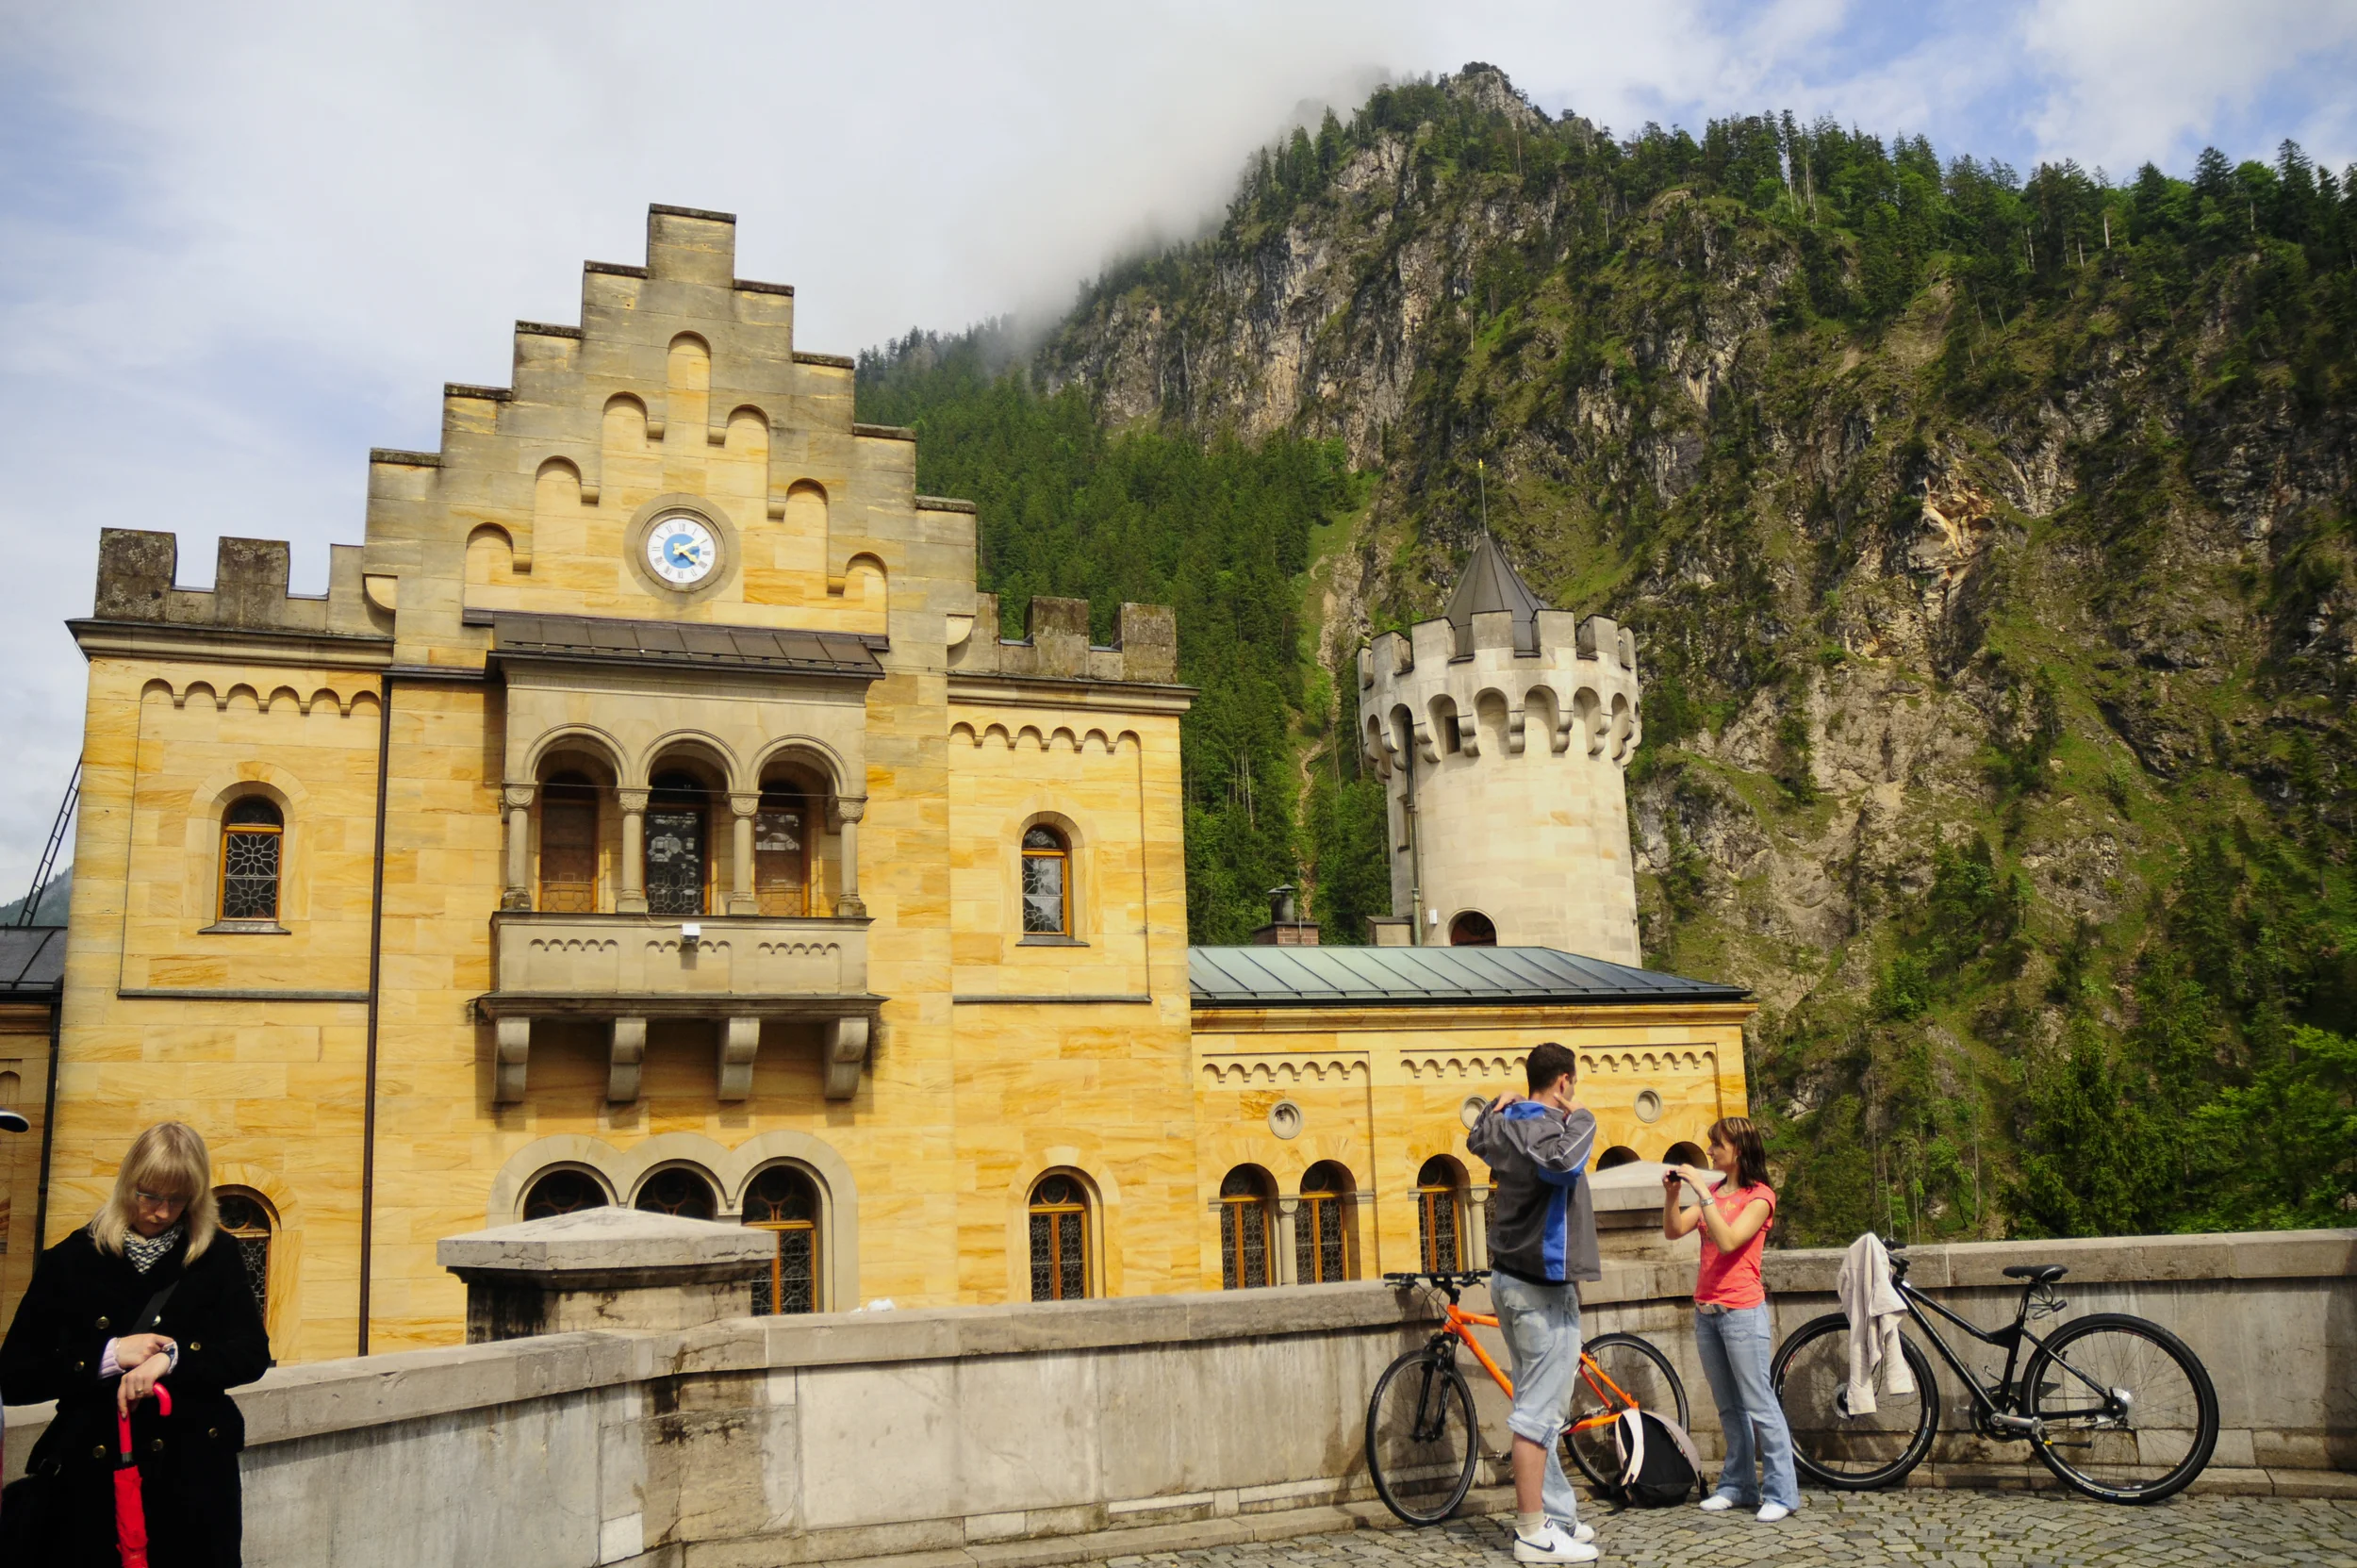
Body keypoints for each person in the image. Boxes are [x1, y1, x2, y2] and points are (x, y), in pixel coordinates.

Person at [1, 1121, 272, 1566]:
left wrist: (172, 1358)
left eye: (177, 1199)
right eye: (149, 1194)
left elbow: (251, 1353)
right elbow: (14, 1376)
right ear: (127, 1184)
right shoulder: (72, 1259)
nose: (162, 1211)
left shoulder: (216, 1255)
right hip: (93, 1483)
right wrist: (108, 1356)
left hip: (192, 1487)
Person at [1466, 1041, 1601, 1565]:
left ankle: (1556, 1517)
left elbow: (1476, 1137)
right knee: (1538, 1415)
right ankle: (1531, 1534)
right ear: (1564, 1081)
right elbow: (1564, 1165)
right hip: (1542, 1286)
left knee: (1534, 1403)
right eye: (1575, 1085)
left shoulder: (1504, 1123)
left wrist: (1497, 1103)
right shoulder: (1553, 1128)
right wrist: (1583, 1115)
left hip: (1509, 1280)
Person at [1660, 1115, 1798, 1522]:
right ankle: (1738, 1485)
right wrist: (1672, 1196)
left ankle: (1782, 1493)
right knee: (1729, 1408)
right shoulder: (1715, 1193)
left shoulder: (1760, 1197)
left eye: (1716, 1145)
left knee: (1759, 1403)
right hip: (1707, 1312)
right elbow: (1673, 1231)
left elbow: (1728, 1240)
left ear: (1737, 1150)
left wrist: (1702, 1192)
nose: (1710, 1151)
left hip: (1741, 1312)